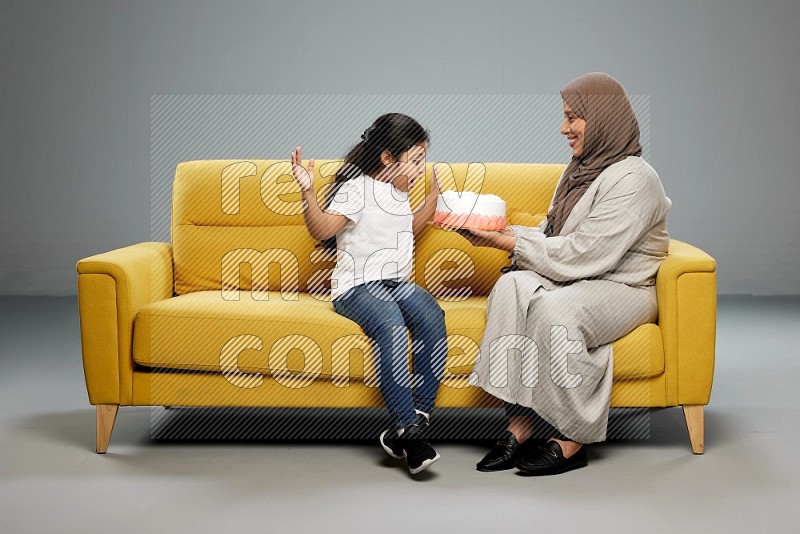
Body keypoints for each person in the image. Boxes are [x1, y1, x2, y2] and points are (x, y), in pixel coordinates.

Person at [457, 73, 672, 476]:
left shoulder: (636, 179)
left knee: (555, 314)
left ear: (603, 118)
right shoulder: (579, 168)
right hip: (580, 276)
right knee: (510, 287)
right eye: (565, 117)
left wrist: (509, 244)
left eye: (573, 117)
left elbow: (589, 251)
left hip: (621, 285)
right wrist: (499, 235)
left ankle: (574, 438)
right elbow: (554, 232)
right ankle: (519, 427)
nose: (563, 128)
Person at [290, 113, 448, 475]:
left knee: (431, 314)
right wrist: (308, 191)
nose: (421, 168)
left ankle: (418, 416)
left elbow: (406, 227)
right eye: (416, 160)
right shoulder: (355, 189)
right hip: (357, 287)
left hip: (395, 283)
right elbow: (321, 229)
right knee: (391, 324)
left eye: (423, 160)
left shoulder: (398, 191)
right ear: (388, 159)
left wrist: (433, 198)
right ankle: (407, 430)